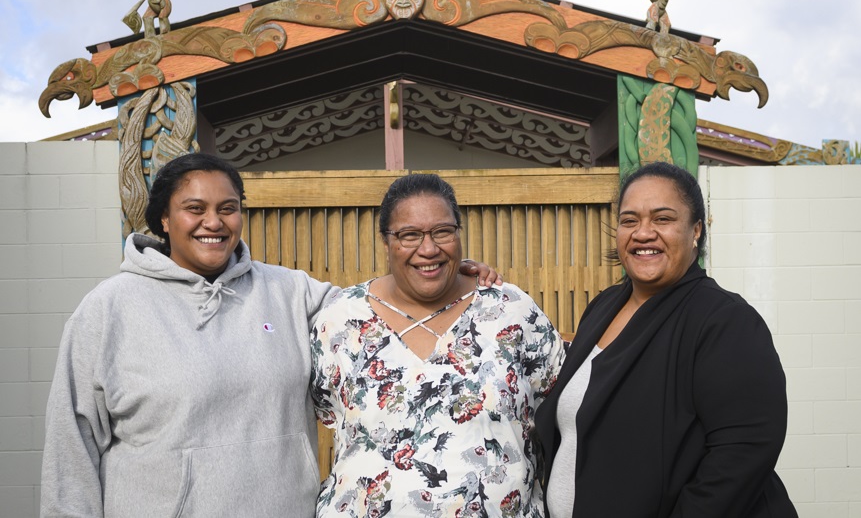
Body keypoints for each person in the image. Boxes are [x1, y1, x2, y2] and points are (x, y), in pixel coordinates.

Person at [40, 153, 501, 517]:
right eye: (194, 209)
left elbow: (379, 307)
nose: (213, 222)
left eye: (228, 208)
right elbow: (71, 448)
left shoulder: (289, 292)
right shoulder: (108, 310)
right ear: (163, 218)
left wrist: (444, 274)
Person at [534, 161, 797, 517]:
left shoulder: (723, 320)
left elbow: (742, 453)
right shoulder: (603, 307)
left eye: (663, 219)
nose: (643, 233)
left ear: (696, 231)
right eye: (630, 220)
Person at [311, 173, 564, 517]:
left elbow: (563, 410)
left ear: (459, 235)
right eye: (409, 235)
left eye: (442, 231)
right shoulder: (339, 322)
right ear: (385, 242)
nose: (428, 249)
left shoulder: (511, 312)